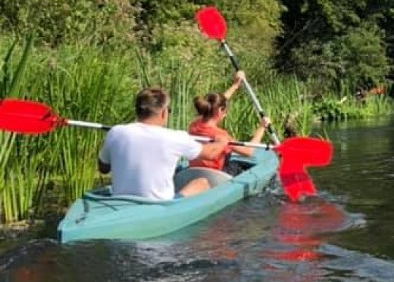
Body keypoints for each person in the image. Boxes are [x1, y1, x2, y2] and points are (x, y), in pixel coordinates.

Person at [97, 87, 229, 200]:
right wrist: (222, 141)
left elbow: (103, 168)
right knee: (202, 183)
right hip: (159, 205)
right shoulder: (175, 137)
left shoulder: (115, 132)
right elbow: (211, 154)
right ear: (164, 112)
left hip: (121, 200)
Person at [187, 69, 272, 171]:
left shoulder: (194, 124)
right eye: (225, 111)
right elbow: (248, 151)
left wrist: (235, 85)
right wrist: (262, 127)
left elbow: (218, 103)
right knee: (238, 166)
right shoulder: (221, 136)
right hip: (215, 176)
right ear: (219, 111)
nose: (225, 114)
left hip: (194, 170)